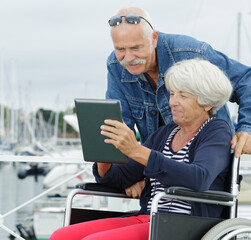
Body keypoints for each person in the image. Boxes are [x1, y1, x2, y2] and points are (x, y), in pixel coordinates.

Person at [50, 58, 233, 240]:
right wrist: (103, 156)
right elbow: (123, 177)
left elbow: (198, 178)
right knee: (61, 236)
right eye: (172, 94)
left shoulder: (216, 131)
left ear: (207, 103)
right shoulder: (165, 133)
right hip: (149, 218)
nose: (172, 102)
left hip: (186, 225)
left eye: (183, 96)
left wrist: (136, 150)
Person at [106, 7, 251, 198]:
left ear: (154, 38)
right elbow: (118, 127)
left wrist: (249, 130)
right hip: (157, 176)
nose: (129, 58)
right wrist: (131, 174)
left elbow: (249, 80)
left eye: (136, 48)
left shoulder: (190, 52)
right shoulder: (116, 66)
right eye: (120, 50)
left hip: (206, 178)